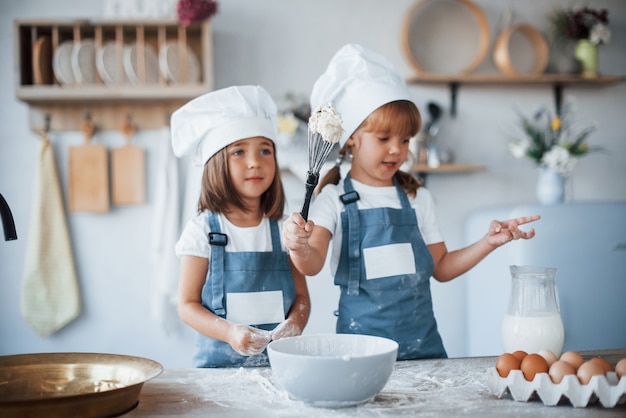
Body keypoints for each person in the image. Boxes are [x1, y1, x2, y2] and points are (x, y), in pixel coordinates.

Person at [282, 44, 540, 360]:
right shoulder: (333, 199)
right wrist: (299, 246)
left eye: (405, 139)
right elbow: (312, 264)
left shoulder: (417, 197)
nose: (396, 150)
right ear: (351, 138)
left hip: (424, 349)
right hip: (360, 354)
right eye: (384, 139)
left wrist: (489, 242)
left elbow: (441, 268)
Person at [171, 85, 310, 367]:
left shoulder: (285, 227)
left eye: (265, 150)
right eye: (238, 152)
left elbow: (301, 298)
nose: (254, 163)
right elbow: (187, 305)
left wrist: (295, 323)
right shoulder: (202, 232)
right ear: (216, 163)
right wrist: (230, 332)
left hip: (280, 369)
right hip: (218, 374)